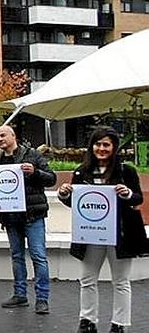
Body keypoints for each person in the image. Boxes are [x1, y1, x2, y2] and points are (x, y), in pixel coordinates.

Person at [58, 127, 146, 333]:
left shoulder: (127, 171)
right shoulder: (81, 171)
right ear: (92, 146)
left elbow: (138, 198)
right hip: (91, 233)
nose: (101, 148)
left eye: (106, 144)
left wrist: (127, 194)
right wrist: (64, 194)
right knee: (87, 279)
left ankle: (120, 324)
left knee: (121, 281)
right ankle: (87, 321)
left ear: (114, 147)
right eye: (98, 144)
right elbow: (76, 202)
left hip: (120, 235)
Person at [0, 125, 56, 314]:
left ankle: (42, 299)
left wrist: (35, 172)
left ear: (13, 136)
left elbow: (51, 179)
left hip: (33, 215)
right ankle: (20, 295)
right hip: (10, 218)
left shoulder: (32, 155)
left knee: (39, 257)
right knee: (17, 257)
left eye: (2, 135)